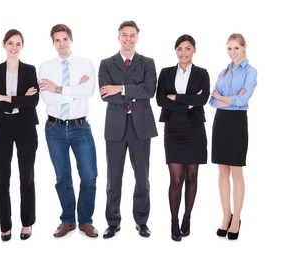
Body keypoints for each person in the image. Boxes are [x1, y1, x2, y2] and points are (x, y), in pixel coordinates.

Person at [99, 20, 158, 239]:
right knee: (113, 179)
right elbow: (105, 94)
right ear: (118, 37)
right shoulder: (106, 63)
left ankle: (141, 222)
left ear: (137, 37)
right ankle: (113, 222)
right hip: (115, 128)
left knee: (142, 178)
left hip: (140, 127)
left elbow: (150, 90)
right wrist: (134, 90)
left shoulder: (148, 62)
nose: (128, 39)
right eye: (124, 35)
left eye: (132, 35)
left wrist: (120, 88)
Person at [38, 24, 98, 238]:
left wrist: (59, 88)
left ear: (71, 39)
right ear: (53, 43)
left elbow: (89, 90)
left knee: (89, 176)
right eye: (57, 40)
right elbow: (47, 97)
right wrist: (74, 90)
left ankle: (85, 220)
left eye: (64, 39)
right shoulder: (45, 66)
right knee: (63, 176)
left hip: (80, 127)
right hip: (54, 128)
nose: (61, 44)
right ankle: (68, 220)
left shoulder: (85, 63)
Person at [0, 29, 39, 241]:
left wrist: (2, 96)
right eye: (11, 43)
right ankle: (5, 225)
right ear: (4, 44)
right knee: (0, 177)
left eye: (18, 44)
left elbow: (32, 102)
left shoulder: (29, 70)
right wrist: (17, 99)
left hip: (25, 127)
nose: (14, 47)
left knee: (26, 175)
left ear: (22, 46)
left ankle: (27, 223)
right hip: (1, 126)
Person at [156, 34, 210, 241]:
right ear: (175, 51)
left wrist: (176, 97)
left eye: (187, 48)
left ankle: (187, 216)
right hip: (173, 130)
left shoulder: (202, 73)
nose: (183, 53)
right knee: (176, 178)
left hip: (194, 129)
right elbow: (160, 99)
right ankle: (174, 221)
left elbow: (202, 99)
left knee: (192, 177)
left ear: (194, 50)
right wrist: (188, 101)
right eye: (180, 48)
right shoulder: (166, 72)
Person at [209, 33, 257, 240]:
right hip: (220, 122)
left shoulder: (251, 72)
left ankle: (236, 218)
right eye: (229, 48)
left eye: (236, 48)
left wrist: (222, 97)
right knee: (222, 170)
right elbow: (211, 101)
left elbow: (243, 100)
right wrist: (227, 98)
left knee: (236, 171)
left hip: (237, 122)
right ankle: (225, 216)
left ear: (244, 46)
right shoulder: (224, 71)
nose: (232, 52)